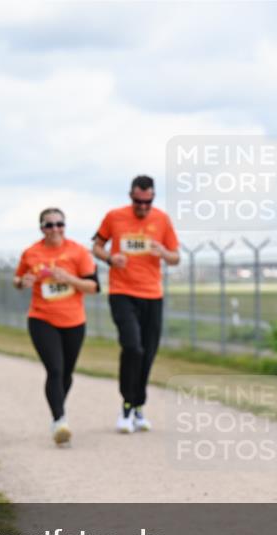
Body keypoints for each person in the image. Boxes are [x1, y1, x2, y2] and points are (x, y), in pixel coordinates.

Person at [92, 175, 180, 434]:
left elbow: (175, 258)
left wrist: (162, 252)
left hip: (152, 295)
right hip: (122, 292)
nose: (142, 206)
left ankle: (138, 406)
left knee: (148, 352)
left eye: (147, 202)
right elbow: (96, 246)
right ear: (131, 196)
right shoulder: (114, 217)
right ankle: (127, 404)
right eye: (138, 201)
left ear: (153, 198)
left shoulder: (162, 220)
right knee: (132, 347)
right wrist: (110, 258)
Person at [15, 208, 98, 446]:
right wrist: (23, 282)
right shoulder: (32, 253)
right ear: (41, 228)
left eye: (59, 224)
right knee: (55, 369)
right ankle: (59, 420)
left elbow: (93, 287)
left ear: (65, 226)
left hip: (74, 321)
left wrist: (69, 279)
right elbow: (17, 279)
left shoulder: (78, 252)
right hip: (41, 318)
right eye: (49, 225)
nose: (55, 229)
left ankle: (58, 411)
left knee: (67, 373)